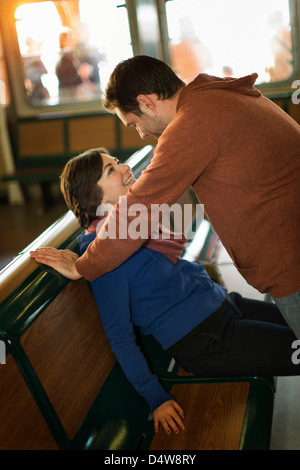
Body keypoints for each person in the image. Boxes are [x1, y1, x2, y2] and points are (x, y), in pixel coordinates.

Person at [31, 148, 300, 436]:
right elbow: (119, 334)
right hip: (208, 340)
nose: (124, 168)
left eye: (117, 162)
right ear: (95, 199)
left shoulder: (131, 223)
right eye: (111, 170)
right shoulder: (102, 255)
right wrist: (155, 398)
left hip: (225, 307)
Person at [31, 55, 300, 339]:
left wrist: (82, 265)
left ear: (147, 102)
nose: (143, 134)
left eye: (135, 124)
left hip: (290, 261)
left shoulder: (191, 124)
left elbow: (137, 210)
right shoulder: (213, 97)